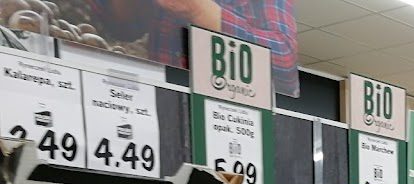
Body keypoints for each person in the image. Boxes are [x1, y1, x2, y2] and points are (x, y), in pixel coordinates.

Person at [89, 0, 298, 96]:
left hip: (225, 122)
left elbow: (284, 59)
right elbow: (120, 28)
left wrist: (200, 11)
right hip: (149, 112)